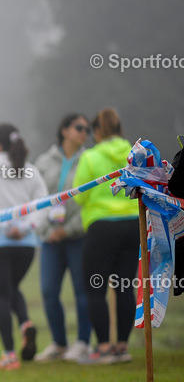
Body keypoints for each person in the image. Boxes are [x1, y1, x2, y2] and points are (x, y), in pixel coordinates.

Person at [0, 124, 49, 370]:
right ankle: (26, 323)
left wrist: (5, 228)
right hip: (26, 245)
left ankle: (9, 354)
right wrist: (25, 227)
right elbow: (44, 205)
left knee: (2, 295)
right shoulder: (31, 170)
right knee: (12, 287)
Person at [73, 107, 138, 364]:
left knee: (95, 288)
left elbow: (80, 195)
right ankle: (122, 347)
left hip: (101, 227)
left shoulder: (90, 156)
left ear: (98, 131)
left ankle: (101, 348)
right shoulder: (134, 154)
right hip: (133, 224)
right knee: (124, 286)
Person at [33, 114, 93, 363]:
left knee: (82, 290)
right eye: (79, 127)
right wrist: (46, 230)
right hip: (49, 237)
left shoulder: (89, 159)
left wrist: (68, 229)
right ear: (64, 130)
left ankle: (82, 343)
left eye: (87, 129)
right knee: (48, 291)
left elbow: (90, 200)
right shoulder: (44, 161)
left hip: (78, 235)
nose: (84, 132)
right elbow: (35, 198)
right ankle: (59, 343)